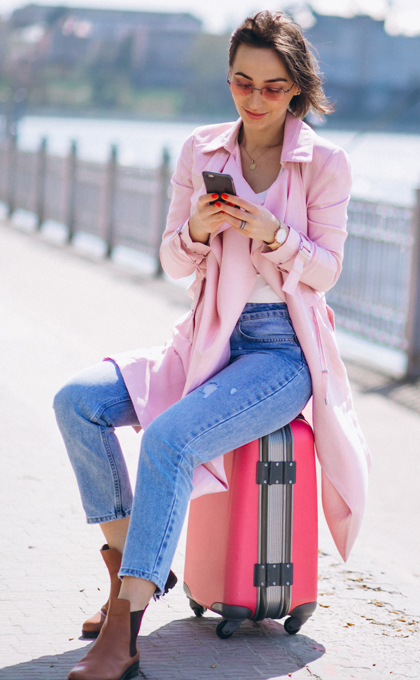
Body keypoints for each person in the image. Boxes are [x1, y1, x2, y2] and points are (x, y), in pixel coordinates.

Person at [54, 10, 370, 680]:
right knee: (76, 401)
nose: (255, 99)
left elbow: (327, 272)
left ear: (296, 88)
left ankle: (124, 629)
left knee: (169, 439)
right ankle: (132, 568)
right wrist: (197, 228)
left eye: (272, 87)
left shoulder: (325, 163)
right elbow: (173, 261)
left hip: (282, 353)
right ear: (228, 78)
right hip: (205, 341)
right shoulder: (202, 150)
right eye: (242, 83)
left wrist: (273, 234)